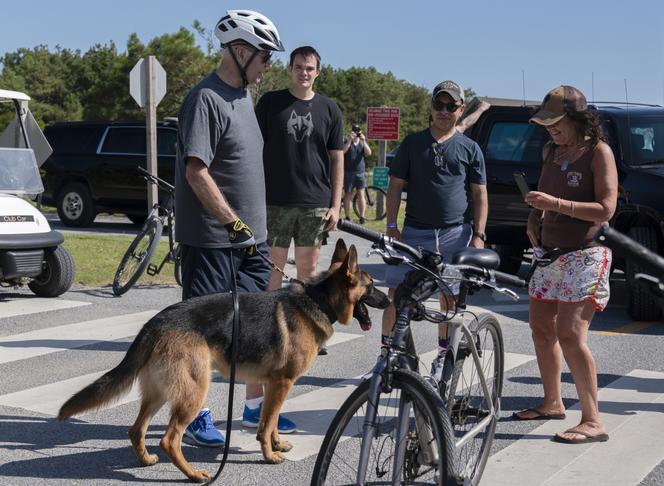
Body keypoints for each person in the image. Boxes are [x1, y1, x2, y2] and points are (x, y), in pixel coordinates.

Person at [174, 9, 295, 448]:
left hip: (250, 241)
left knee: (253, 334)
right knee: (202, 335)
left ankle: (254, 412)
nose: (267, 65)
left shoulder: (243, 97)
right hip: (213, 240)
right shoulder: (204, 98)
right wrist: (234, 223)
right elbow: (196, 172)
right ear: (240, 51)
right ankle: (196, 417)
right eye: (264, 56)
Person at [513, 85, 617, 445]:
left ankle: (593, 419)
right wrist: (534, 216)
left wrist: (555, 204)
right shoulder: (551, 151)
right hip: (549, 254)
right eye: (546, 124)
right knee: (541, 328)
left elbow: (606, 209)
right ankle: (552, 402)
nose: (550, 130)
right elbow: (543, 199)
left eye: (556, 123)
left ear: (577, 118)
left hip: (586, 254)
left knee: (571, 333)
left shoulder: (598, 153)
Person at [381, 80, 488, 372]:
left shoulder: (470, 148)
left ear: (461, 109)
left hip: (456, 234)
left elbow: (480, 194)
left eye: (450, 106)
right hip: (415, 232)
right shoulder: (413, 144)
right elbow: (395, 187)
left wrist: (478, 236)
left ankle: (444, 357)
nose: (443, 111)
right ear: (431, 107)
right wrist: (392, 224)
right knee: (397, 294)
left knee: (449, 296)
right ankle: (386, 355)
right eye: (438, 105)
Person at [255, 45, 344, 355]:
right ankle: (269, 331)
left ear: (317, 72)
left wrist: (335, 204)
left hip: (314, 201)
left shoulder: (329, 109)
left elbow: (337, 159)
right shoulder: (270, 103)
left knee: (308, 271)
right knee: (273, 269)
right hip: (275, 200)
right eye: (298, 67)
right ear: (289, 69)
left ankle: (305, 333)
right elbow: (253, 149)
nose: (304, 73)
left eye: (309, 68)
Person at [342, 123, 372, 223]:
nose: (356, 133)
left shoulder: (362, 143)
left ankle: (362, 217)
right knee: (348, 195)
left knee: (361, 195)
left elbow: (369, 153)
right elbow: (342, 152)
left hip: (360, 173)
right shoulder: (347, 141)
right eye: (354, 131)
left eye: (358, 131)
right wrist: (350, 140)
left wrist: (364, 140)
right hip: (348, 173)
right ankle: (347, 217)